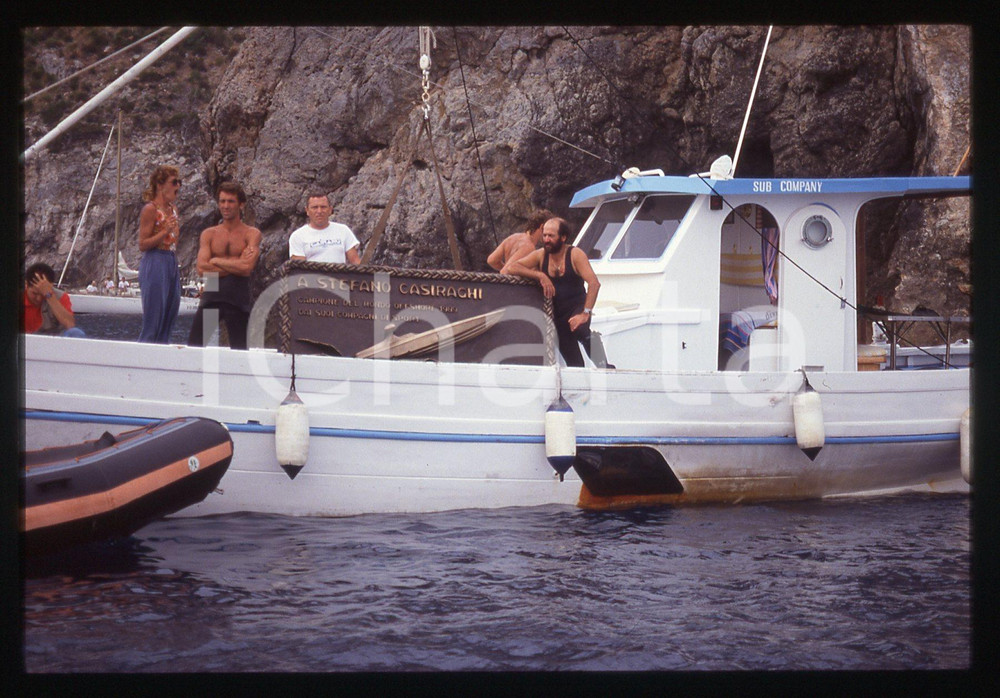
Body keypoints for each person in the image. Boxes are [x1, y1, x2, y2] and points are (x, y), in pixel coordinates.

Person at [506, 217, 601, 367]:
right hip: (558, 315)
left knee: (580, 329)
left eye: (551, 236)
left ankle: (606, 367)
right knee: (574, 364)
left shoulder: (575, 254)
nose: (546, 240)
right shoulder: (541, 255)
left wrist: (585, 313)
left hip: (577, 306)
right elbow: (512, 268)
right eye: (544, 235)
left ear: (563, 237)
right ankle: (580, 386)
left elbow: (594, 284)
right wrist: (540, 275)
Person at [188, 181, 262, 350]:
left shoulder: (251, 233)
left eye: (230, 201)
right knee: (194, 347)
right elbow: (201, 269)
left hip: (238, 297)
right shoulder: (209, 234)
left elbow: (247, 268)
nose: (225, 206)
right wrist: (236, 265)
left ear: (241, 204)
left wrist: (216, 261)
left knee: (240, 351)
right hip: (212, 295)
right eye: (222, 201)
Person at [137, 165, 183, 343]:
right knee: (154, 318)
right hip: (155, 259)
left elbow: (174, 238)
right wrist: (164, 231)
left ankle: (162, 353)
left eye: (179, 182)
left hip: (170, 259)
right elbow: (142, 244)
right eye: (174, 182)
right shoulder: (150, 209)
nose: (177, 186)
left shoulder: (173, 210)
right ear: (160, 184)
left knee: (170, 313)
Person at [288, 193, 360, 263]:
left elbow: (356, 262)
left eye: (323, 207)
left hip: (339, 275)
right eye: (315, 207)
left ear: (330, 210)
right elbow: (299, 270)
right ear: (307, 211)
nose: (319, 211)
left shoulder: (343, 230)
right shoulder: (297, 236)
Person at [21, 262, 86, 338]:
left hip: (51, 340)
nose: (38, 299)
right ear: (26, 285)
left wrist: (49, 295)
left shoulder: (60, 296)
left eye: (42, 294)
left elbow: (70, 324)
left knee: (75, 333)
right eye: (34, 293)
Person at [487, 209, 553, 273]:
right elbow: (505, 271)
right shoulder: (528, 246)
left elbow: (492, 260)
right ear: (542, 227)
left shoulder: (513, 237)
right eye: (549, 230)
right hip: (513, 284)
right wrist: (510, 271)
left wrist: (511, 269)